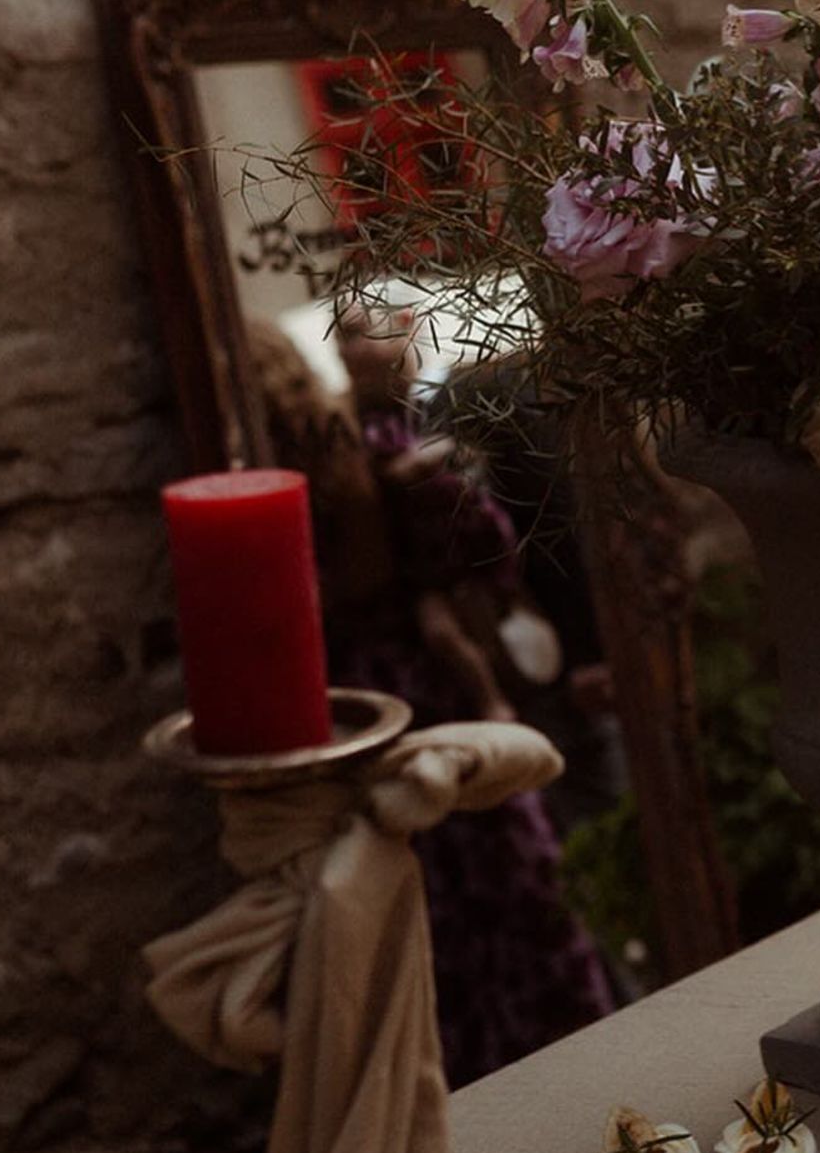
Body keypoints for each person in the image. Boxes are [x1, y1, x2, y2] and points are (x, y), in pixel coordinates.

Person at [248, 315, 616, 1084]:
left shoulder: (373, 453)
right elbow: (475, 559)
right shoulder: (367, 453)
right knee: (479, 882)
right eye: (354, 334)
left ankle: (478, 1064)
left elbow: (489, 551)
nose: (373, 348)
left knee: (454, 885)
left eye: (384, 333)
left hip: (370, 701)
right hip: (403, 694)